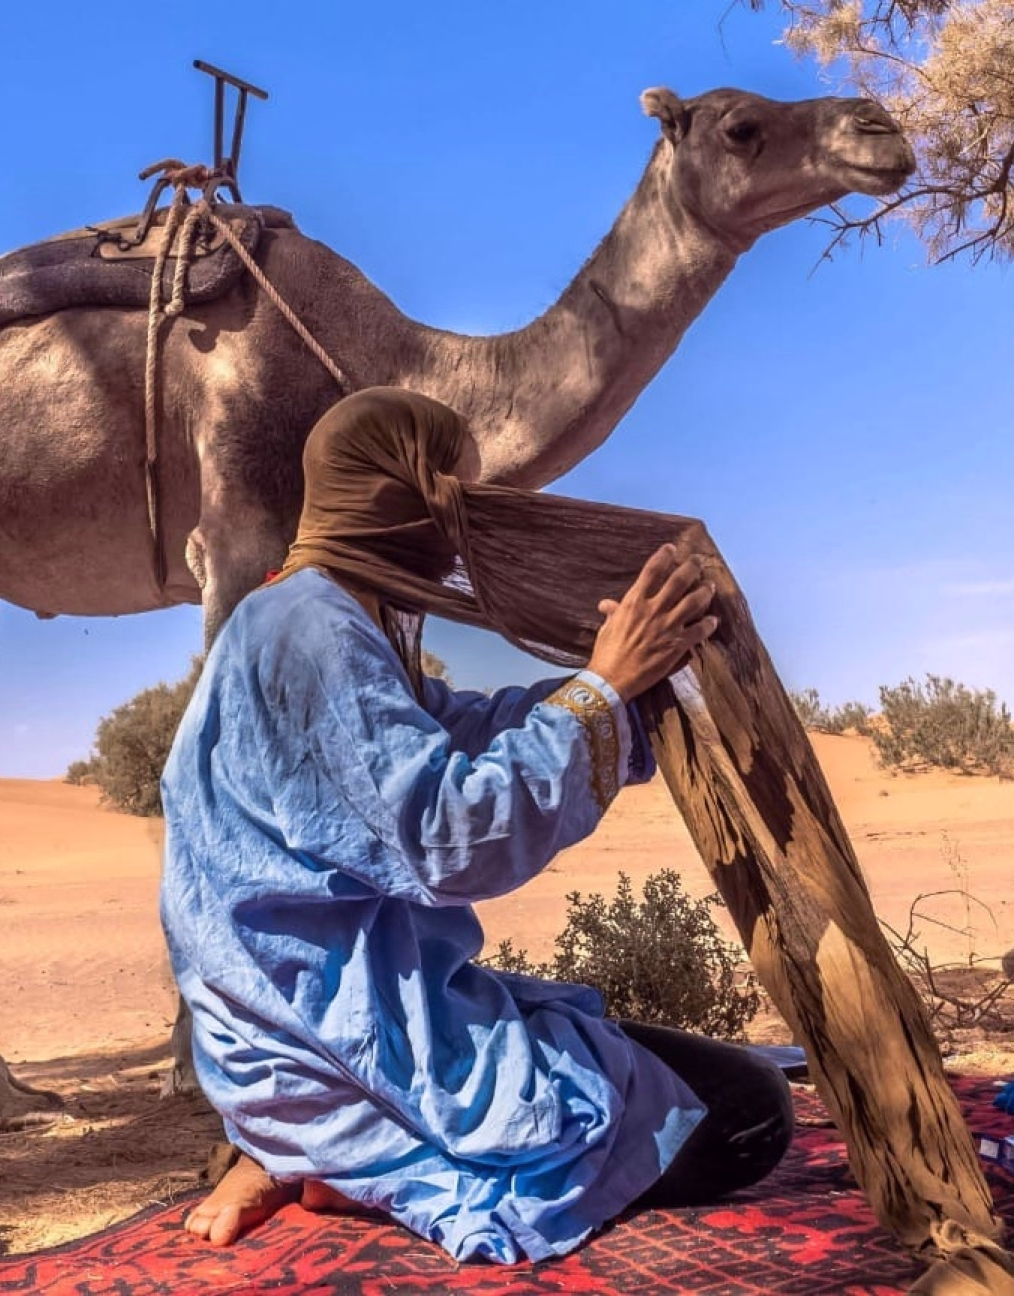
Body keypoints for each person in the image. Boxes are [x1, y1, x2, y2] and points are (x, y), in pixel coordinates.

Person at [158, 388, 795, 1265]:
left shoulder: (320, 612)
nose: (463, 521)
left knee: (657, 1071)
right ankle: (333, 1157)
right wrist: (601, 693)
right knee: (746, 1114)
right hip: (326, 1044)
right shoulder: (314, 631)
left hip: (309, 1024)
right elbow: (449, 838)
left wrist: (610, 685)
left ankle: (298, 1150)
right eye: (453, 492)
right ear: (402, 492)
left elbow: (454, 729)